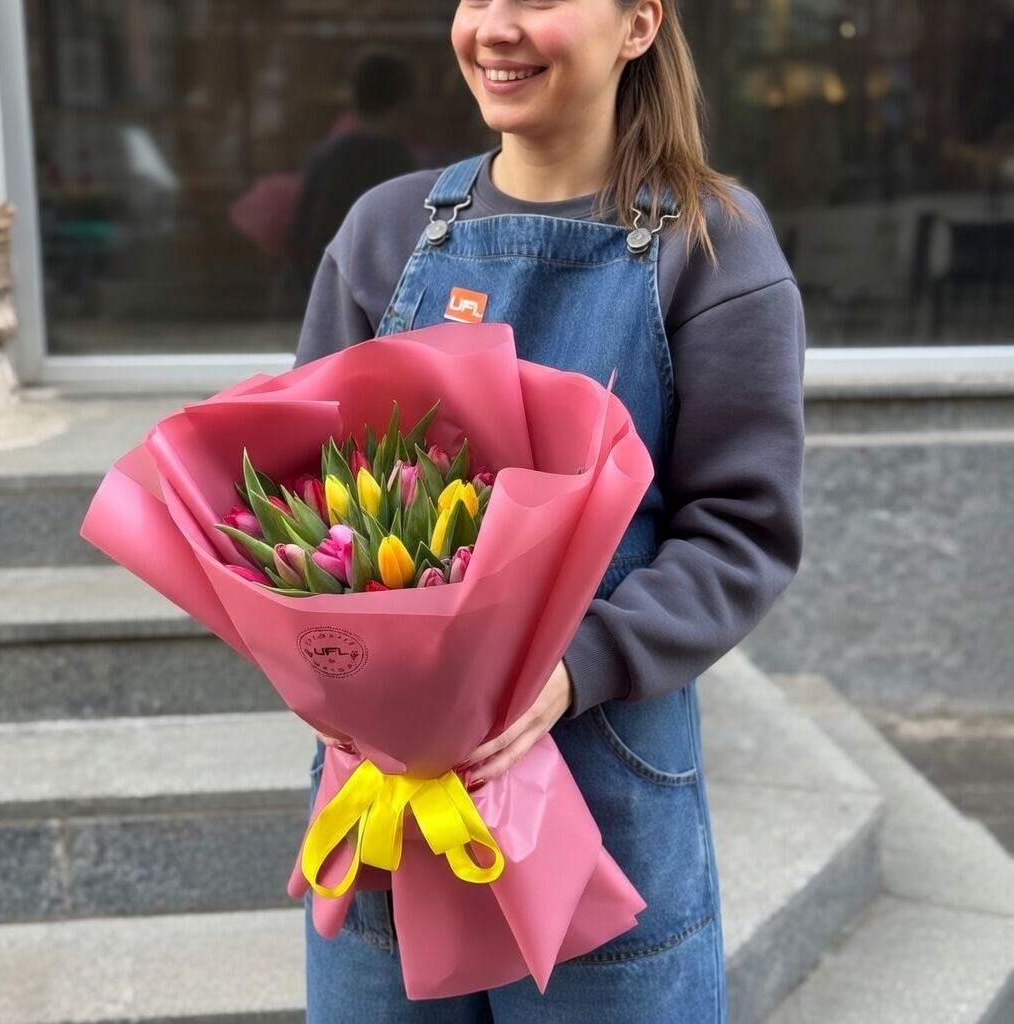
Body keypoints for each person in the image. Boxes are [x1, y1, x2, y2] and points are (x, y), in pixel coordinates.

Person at [292, 1, 806, 1021]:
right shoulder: (385, 232)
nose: (494, 28)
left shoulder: (712, 248)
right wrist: (334, 664)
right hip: (390, 800)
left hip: (600, 793)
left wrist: (576, 666)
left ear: (638, 24)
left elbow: (742, 530)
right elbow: (307, 494)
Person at [286, 49, 418, 292]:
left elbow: (300, 229)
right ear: (404, 103)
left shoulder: (329, 154)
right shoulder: (401, 164)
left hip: (326, 283)